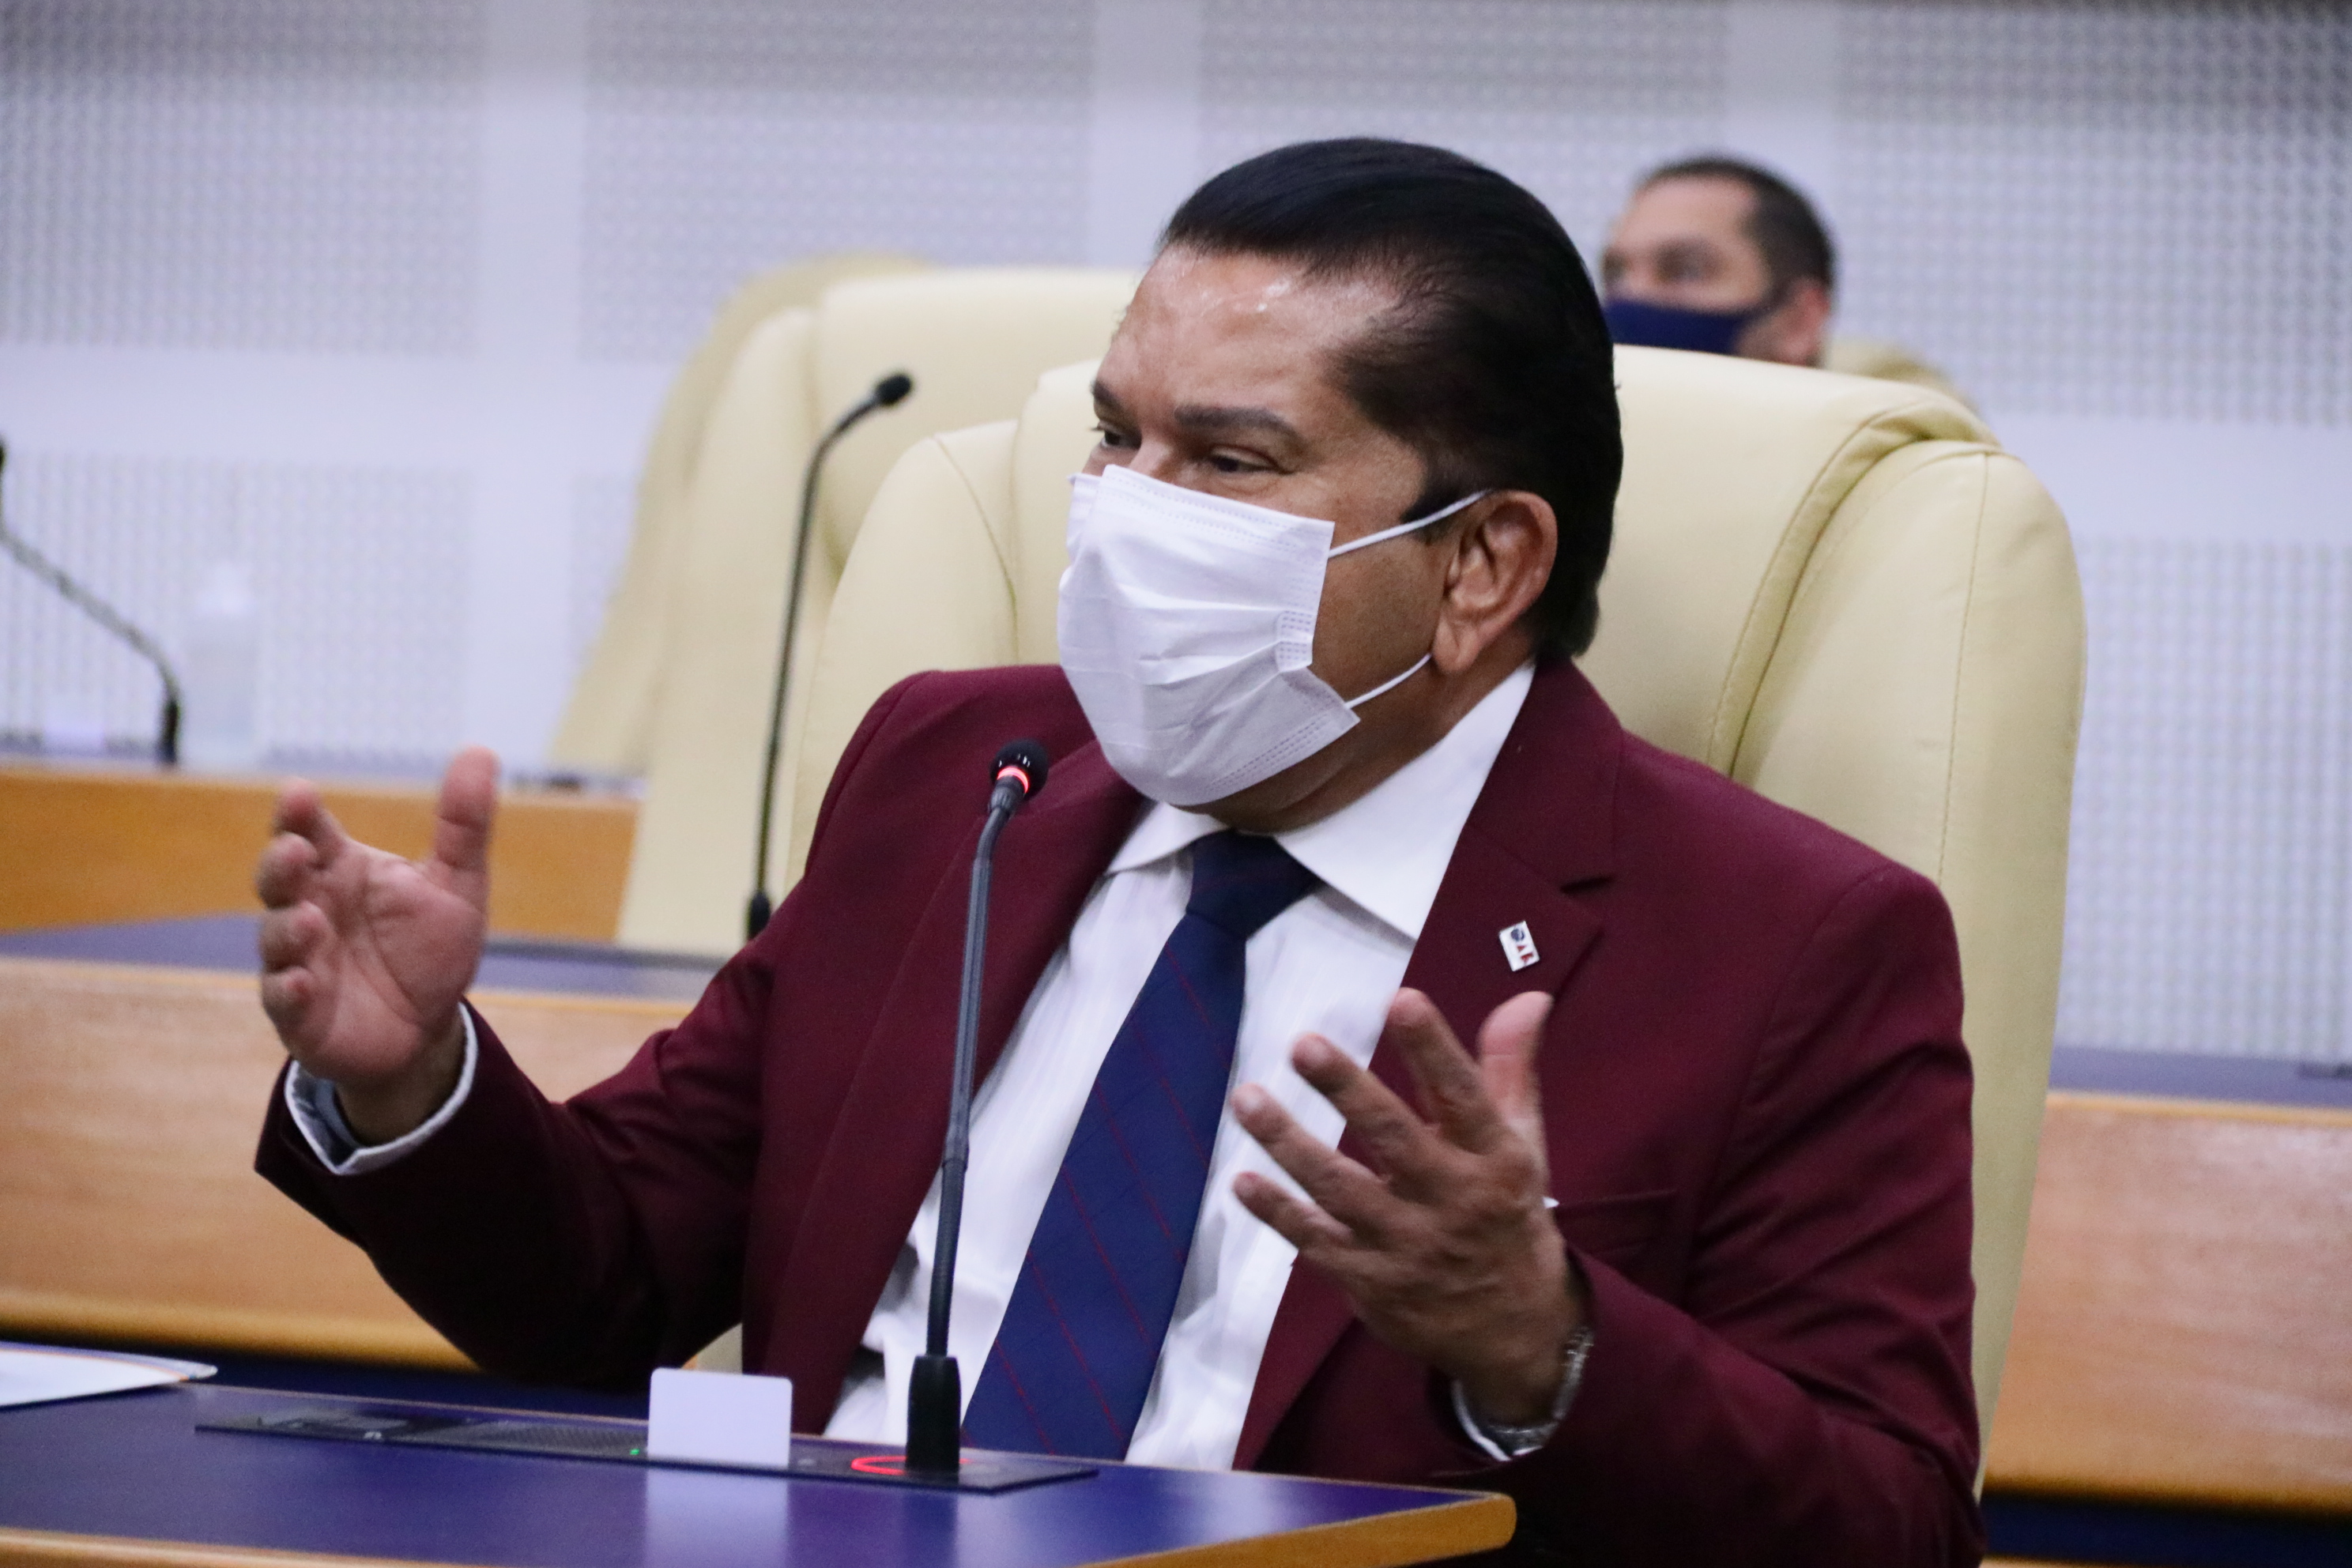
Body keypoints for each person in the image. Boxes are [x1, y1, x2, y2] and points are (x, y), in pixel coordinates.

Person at [253, 139, 1981, 1564]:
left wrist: (1545, 1340)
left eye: (1227, 459)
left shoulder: (1787, 938)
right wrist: (411, 1084)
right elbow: (610, 1278)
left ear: (1481, 566)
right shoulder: (958, 775)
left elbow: (1891, 1523)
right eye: (1118, 435)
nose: (1126, 510)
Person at [1601, 154, 1969, 403]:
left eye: (1686, 271)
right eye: (1615, 275)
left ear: (1799, 321)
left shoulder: (1894, 486)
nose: (1631, 297)